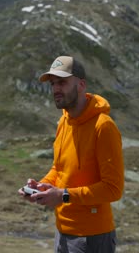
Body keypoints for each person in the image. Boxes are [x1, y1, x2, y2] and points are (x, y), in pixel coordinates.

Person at [19, 56, 124, 253]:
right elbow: (59, 169)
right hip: (62, 232)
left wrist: (63, 195)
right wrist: (41, 187)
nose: (56, 89)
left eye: (62, 82)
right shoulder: (63, 122)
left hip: (93, 237)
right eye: (53, 84)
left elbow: (113, 189)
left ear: (81, 85)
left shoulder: (103, 126)